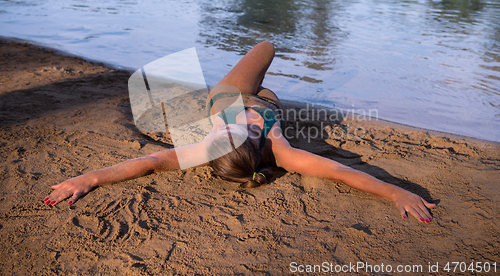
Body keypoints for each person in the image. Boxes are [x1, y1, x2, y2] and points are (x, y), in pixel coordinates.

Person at [44, 41, 435, 223]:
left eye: (227, 131)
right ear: (257, 144)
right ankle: (267, 91)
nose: (238, 123)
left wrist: (89, 177)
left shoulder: (208, 146)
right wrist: (396, 192)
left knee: (262, 52)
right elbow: (340, 173)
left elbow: (149, 162)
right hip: (269, 104)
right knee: (268, 53)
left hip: (228, 95)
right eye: (237, 129)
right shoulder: (283, 152)